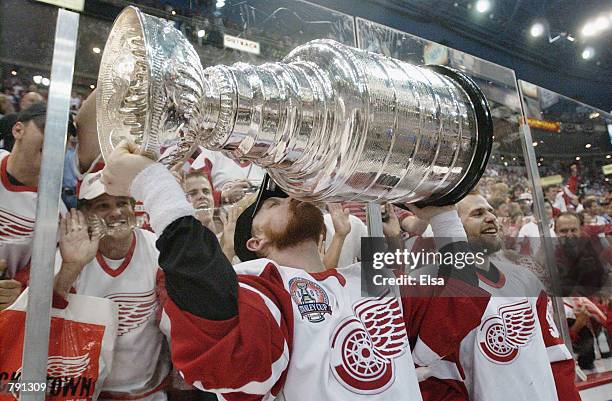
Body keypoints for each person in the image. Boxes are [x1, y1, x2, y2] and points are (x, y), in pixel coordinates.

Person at [100, 140, 489, 401]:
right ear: (256, 243)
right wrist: (154, 185)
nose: (286, 197)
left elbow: (460, 304)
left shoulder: (366, 278)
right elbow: (216, 319)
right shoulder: (262, 285)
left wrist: (445, 217)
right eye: (271, 204)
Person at [412, 193, 580, 401]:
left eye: (490, 210)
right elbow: (436, 379)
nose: (491, 217)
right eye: (478, 214)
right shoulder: (430, 286)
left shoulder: (525, 279)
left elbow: (556, 358)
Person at [53, 171, 171, 401]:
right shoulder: (70, 254)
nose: (116, 212)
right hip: (89, 393)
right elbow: (49, 318)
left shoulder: (158, 250)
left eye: (121, 203)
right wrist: (72, 266)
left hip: (149, 391)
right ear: (85, 214)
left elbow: (176, 326)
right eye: (103, 206)